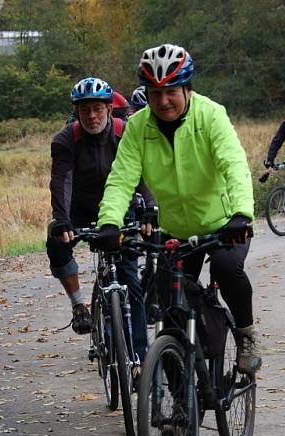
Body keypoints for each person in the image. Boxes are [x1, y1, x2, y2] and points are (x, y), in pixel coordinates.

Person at [95, 43, 261, 374]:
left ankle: (245, 334)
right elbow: (121, 179)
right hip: (175, 230)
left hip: (223, 222)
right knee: (166, 309)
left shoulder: (211, 115)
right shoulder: (138, 128)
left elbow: (234, 164)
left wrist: (242, 214)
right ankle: (178, 415)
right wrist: (109, 223)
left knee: (228, 270)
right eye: (154, 93)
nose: (163, 101)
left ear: (187, 87)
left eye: (170, 91)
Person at [47, 76, 155, 361]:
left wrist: (149, 208)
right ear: (76, 113)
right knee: (55, 240)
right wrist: (61, 219)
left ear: (109, 108)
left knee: (130, 280)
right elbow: (61, 181)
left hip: (120, 207)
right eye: (85, 110)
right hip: (80, 206)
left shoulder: (125, 133)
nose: (92, 116)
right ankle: (79, 305)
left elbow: (141, 172)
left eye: (97, 108)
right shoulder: (65, 140)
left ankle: (140, 356)